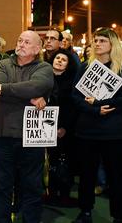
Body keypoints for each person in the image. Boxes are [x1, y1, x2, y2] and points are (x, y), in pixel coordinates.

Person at [0, 30, 54, 223]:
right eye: (19, 40)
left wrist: (6, 90)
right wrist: (28, 94)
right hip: (3, 135)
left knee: (32, 186)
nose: (21, 44)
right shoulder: (2, 63)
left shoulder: (44, 67)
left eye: (27, 42)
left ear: (37, 48)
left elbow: (38, 86)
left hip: (33, 138)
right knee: (2, 186)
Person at [72, 28, 122, 223]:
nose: (97, 43)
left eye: (102, 40)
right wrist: (94, 110)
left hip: (114, 132)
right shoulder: (84, 67)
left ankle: (118, 216)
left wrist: (98, 104)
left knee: (116, 177)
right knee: (86, 176)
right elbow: (75, 96)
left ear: (112, 44)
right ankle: (85, 212)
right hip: (87, 131)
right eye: (95, 40)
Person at [46, 49, 78, 206]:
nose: (59, 60)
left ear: (68, 64)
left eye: (63, 59)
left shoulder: (72, 81)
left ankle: (64, 194)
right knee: (49, 162)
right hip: (43, 127)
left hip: (64, 129)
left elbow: (73, 107)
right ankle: (50, 193)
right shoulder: (44, 77)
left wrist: (64, 127)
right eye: (57, 58)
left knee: (64, 161)